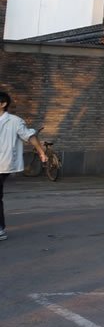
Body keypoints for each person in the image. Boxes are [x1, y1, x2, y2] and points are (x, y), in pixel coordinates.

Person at [0, 90, 48, 242]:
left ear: (3, 104)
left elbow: (29, 136)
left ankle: (0, 229)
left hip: (4, 162)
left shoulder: (15, 121)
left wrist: (41, 152)